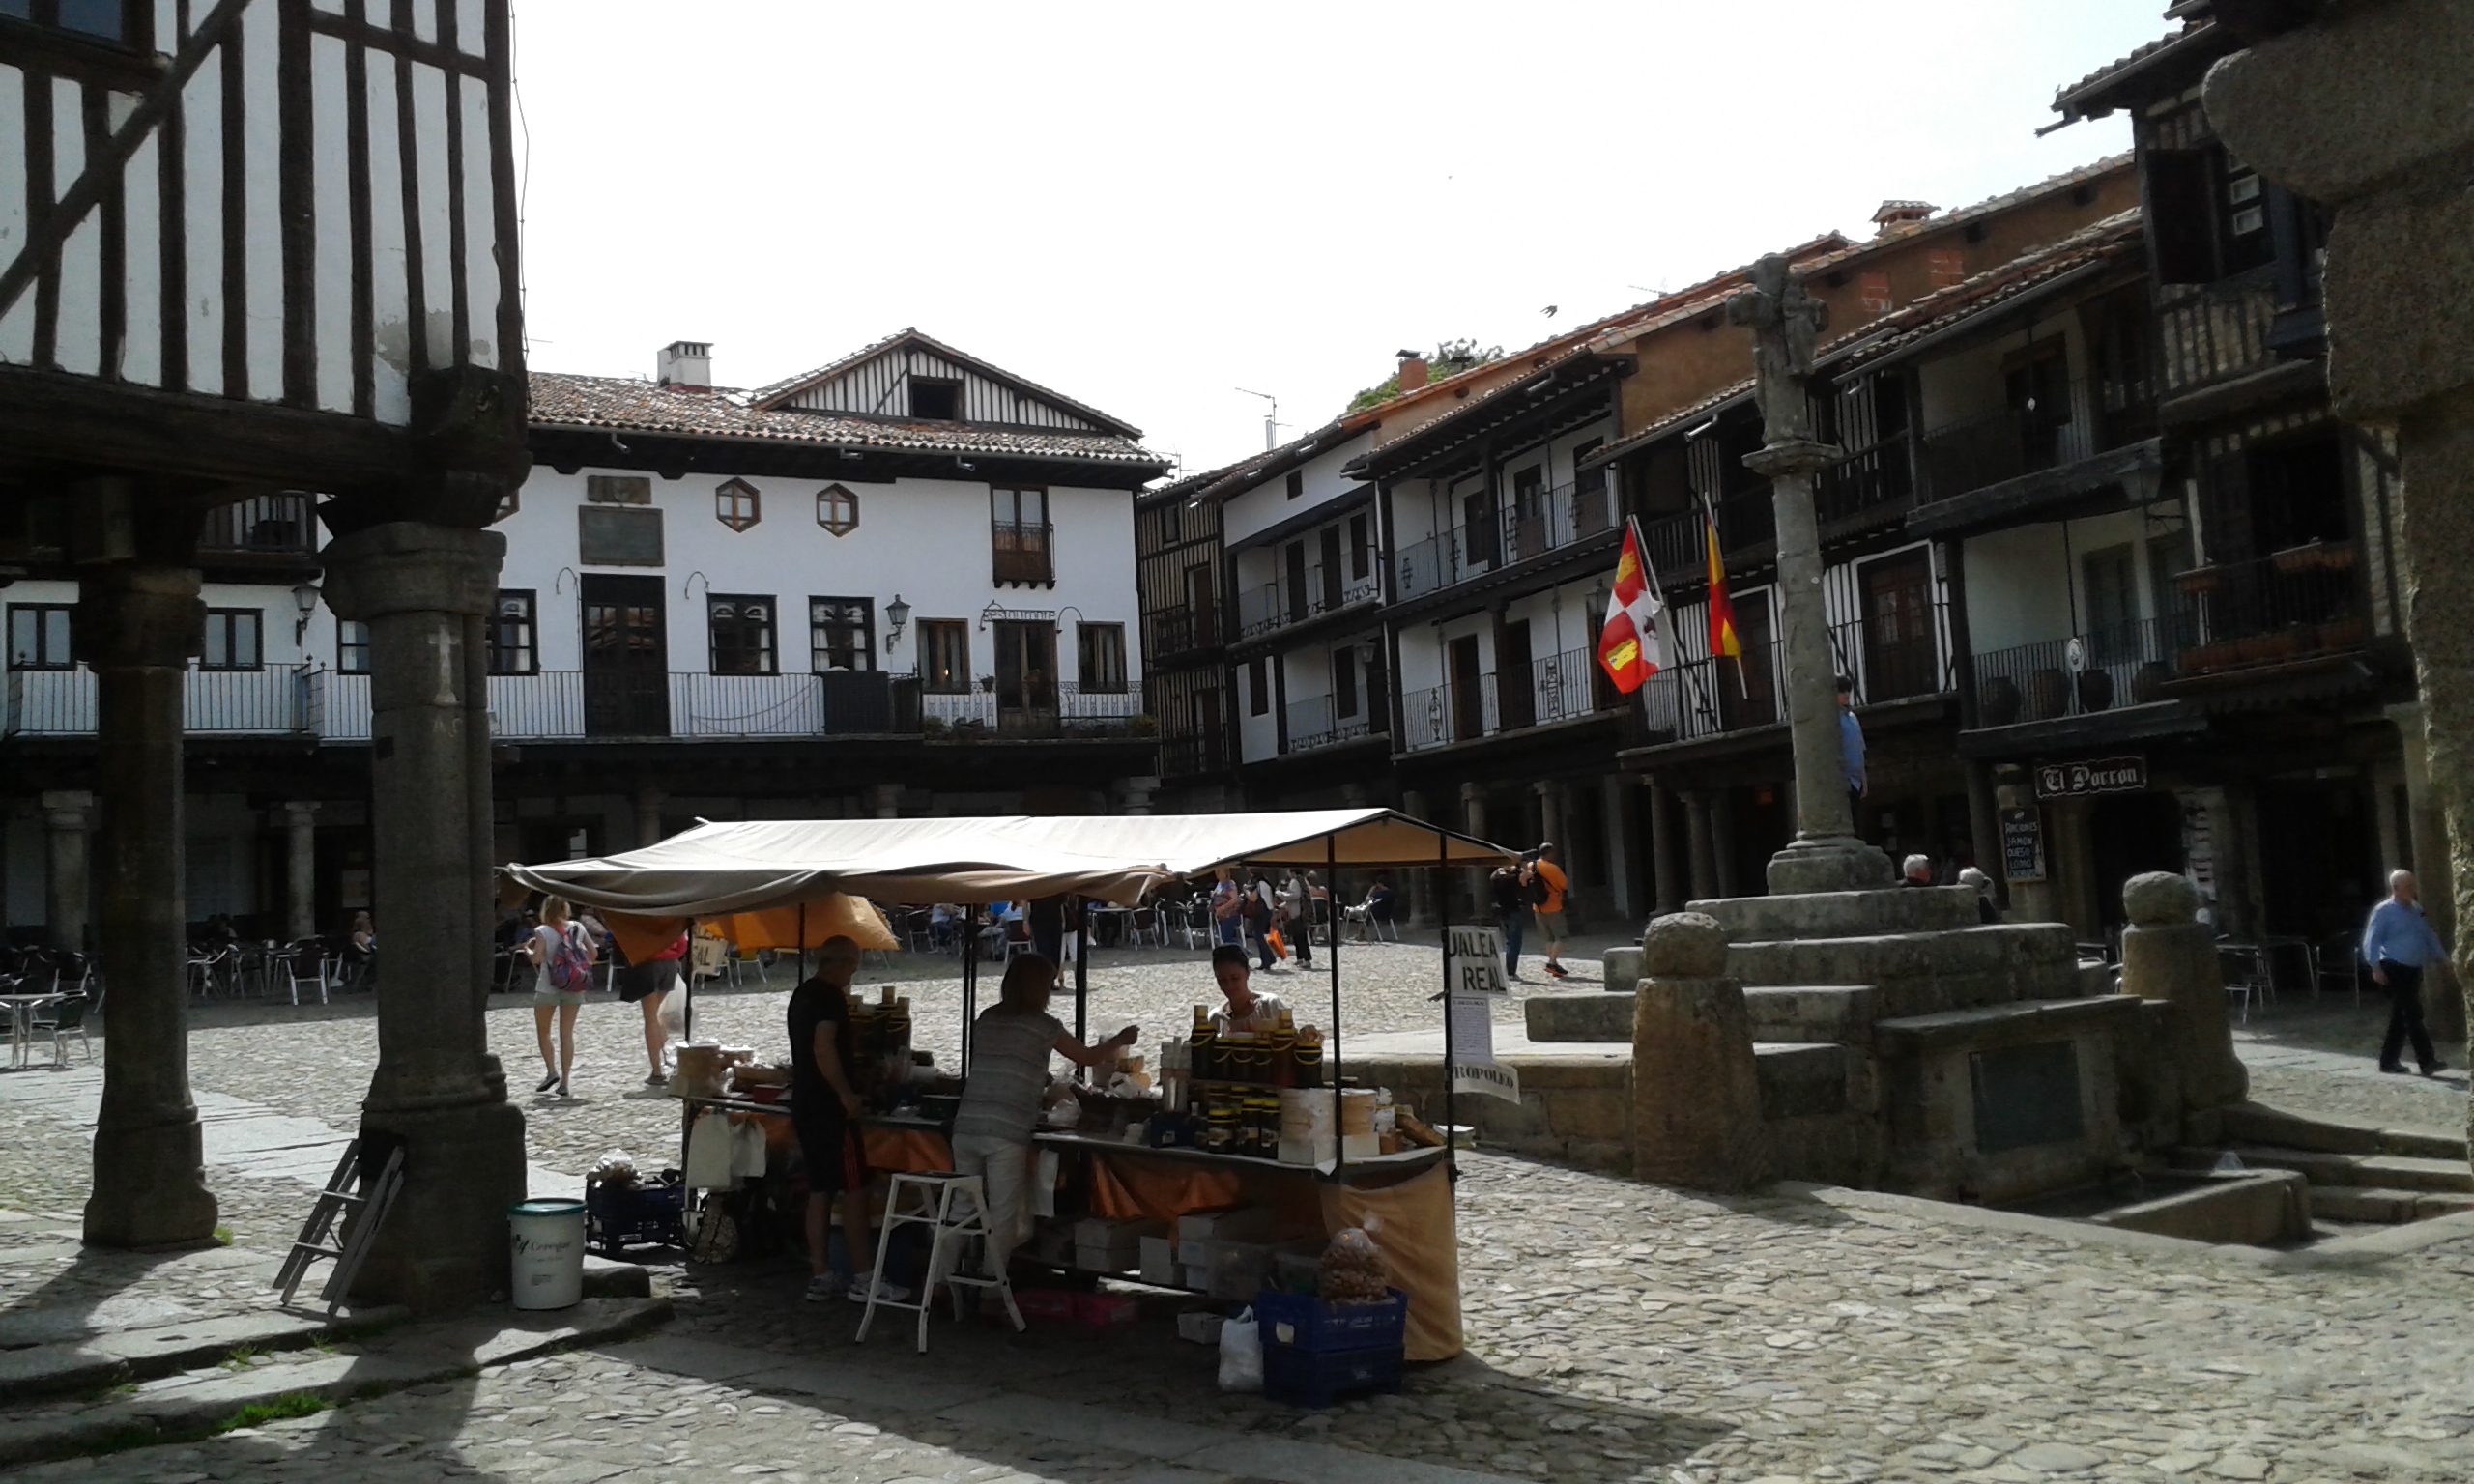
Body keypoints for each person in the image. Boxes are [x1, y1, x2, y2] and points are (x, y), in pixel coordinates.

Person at [950, 953, 1136, 1303]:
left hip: (968, 1122)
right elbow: (1087, 1057)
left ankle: (940, 1282)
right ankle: (992, 1291)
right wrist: (1120, 1039)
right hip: (1005, 1129)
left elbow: (1002, 1061)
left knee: (961, 1206)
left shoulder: (987, 1018)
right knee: (1002, 1213)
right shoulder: (1043, 1025)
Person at [789, 934, 904, 1303]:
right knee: (855, 1189)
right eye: (853, 965)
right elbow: (824, 1047)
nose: (853, 973)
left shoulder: (802, 994)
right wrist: (844, 1093)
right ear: (842, 963)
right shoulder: (829, 998)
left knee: (820, 1189)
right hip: (829, 1107)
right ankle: (865, 1276)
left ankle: (821, 1273)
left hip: (805, 1102)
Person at [2362, 870, 2452, 1077]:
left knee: (2401, 1015)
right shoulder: (2383, 911)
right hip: (2394, 966)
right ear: (2396, 889)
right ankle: (2427, 1061)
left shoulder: (2416, 909)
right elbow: (2372, 939)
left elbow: (2427, 934)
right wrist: (2375, 966)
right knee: (2413, 1013)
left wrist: (2441, 957)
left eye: (2413, 885)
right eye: (2408, 886)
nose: (2413, 890)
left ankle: (2388, 1060)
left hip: (2413, 967)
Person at [523, 897, 596, 1098]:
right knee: (567, 1033)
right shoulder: (578, 927)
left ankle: (551, 1071)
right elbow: (593, 953)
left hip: (548, 987)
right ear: (566, 908)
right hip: (574, 987)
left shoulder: (542, 931)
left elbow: (537, 958)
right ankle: (565, 1081)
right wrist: (576, 966)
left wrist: (527, 949)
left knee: (544, 1031)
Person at [618, 927, 689, 1085]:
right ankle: (663, 1059)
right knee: (657, 1016)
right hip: (669, 964)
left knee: (651, 1019)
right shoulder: (669, 919)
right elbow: (682, 941)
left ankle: (657, 1071)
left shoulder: (641, 920)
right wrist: (674, 954)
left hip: (648, 963)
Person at [1209, 942, 1290, 1033]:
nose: (1229, 985)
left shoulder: (1269, 1007)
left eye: (1235, 978)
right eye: (1222, 979)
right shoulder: (1216, 1019)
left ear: (1247, 972)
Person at [1529, 842, 1571, 980]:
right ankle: (1552, 963)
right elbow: (1564, 884)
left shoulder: (1531, 866)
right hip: (1553, 906)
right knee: (1561, 937)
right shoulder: (1552, 868)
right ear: (1550, 853)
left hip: (1537, 906)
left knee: (1548, 938)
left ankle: (1554, 964)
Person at [1489, 863, 1528, 980]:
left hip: (1502, 911)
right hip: (1513, 911)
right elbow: (1527, 875)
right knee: (1515, 942)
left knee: (1509, 941)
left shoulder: (1494, 877)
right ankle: (1510, 970)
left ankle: (1509, 969)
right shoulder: (1511, 879)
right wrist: (1523, 867)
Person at [1839, 677, 1867, 823]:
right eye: (1841, 691)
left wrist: (1864, 781)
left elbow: (1860, 748)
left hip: (1857, 781)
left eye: (1848, 690)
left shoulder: (1853, 717)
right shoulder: (1833, 720)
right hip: (1844, 781)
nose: (1846, 694)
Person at [1280, 870, 1314, 970]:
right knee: (1297, 936)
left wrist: (1282, 895)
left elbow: (1295, 895)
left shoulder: (1294, 881)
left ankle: (1306, 959)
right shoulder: (1302, 880)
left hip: (1297, 911)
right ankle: (1300, 958)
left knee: (1300, 937)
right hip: (1301, 911)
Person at [1209, 868, 1244, 946]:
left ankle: (1240, 949)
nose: (1218, 874)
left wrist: (1223, 908)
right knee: (1224, 937)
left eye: (1220, 872)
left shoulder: (1229, 884)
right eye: (1217, 872)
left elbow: (1234, 899)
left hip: (1229, 914)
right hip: (1221, 916)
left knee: (1227, 937)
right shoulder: (1219, 884)